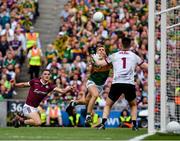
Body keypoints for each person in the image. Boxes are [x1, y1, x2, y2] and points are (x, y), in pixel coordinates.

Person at [93, 37, 148, 130]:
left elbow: (100, 64)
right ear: (130, 45)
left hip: (117, 83)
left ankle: (103, 123)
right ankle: (134, 125)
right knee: (133, 105)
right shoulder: (134, 56)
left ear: (121, 44)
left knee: (108, 104)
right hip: (129, 83)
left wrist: (95, 58)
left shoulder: (115, 55)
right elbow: (145, 66)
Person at [66, 45, 111, 126]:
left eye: (102, 50)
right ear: (96, 52)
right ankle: (88, 115)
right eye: (99, 50)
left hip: (100, 85)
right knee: (95, 95)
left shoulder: (109, 60)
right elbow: (97, 64)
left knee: (86, 101)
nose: (101, 51)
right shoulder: (94, 58)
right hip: (91, 82)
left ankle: (75, 103)